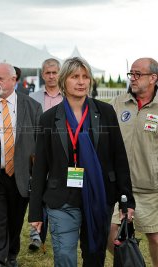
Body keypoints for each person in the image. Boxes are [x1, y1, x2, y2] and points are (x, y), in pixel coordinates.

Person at [28, 57, 135, 267]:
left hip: (99, 196)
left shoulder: (105, 113)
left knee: (94, 256)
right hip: (61, 199)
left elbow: (119, 157)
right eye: (75, 76)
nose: (81, 82)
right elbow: (40, 167)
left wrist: (126, 200)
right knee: (65, 255)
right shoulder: (49, 119)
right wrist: (34, 212)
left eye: (85, 77)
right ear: (63, 81)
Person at [0, 63, 42, 267]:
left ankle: (12, 255)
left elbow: (38, 141)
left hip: (21, 174)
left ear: (14, 80)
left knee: (16, 220)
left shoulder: (32, 106)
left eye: (0, 78)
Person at [108, 58, 158, 266]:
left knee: (155, 239)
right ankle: (133, 263)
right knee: (110, 234)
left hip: (149, 188)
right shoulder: (117, 104)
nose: (133, 78)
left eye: (138, 74)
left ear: (153, 78)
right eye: (131, 74)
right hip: (118, 186)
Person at [28, 58, 63, 251]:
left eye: (54, 72)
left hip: (63, 156)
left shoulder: (68, 96)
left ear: (60, 73)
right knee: (38, 191)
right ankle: (36, 236)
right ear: (42, 75)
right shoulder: (33, 98)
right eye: (47, 73)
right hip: (38, 154)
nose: (51, 76)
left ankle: (60, 233)